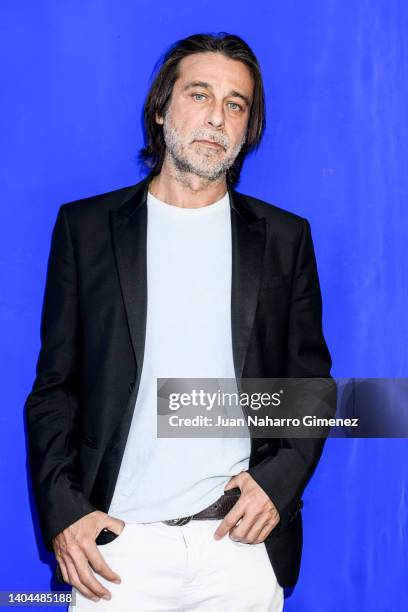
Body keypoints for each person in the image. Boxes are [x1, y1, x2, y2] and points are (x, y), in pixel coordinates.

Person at [24, 32, 334, 611]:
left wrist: (278, 482)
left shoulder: (286, 240)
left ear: (248, 128)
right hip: (117, 553)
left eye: (235, 105)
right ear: (162, 107)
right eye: (199, 95)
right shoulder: (86, 232)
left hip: (238, 547)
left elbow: (310, 384)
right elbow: (54, 391)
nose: (216, 118)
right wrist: (64, 511)